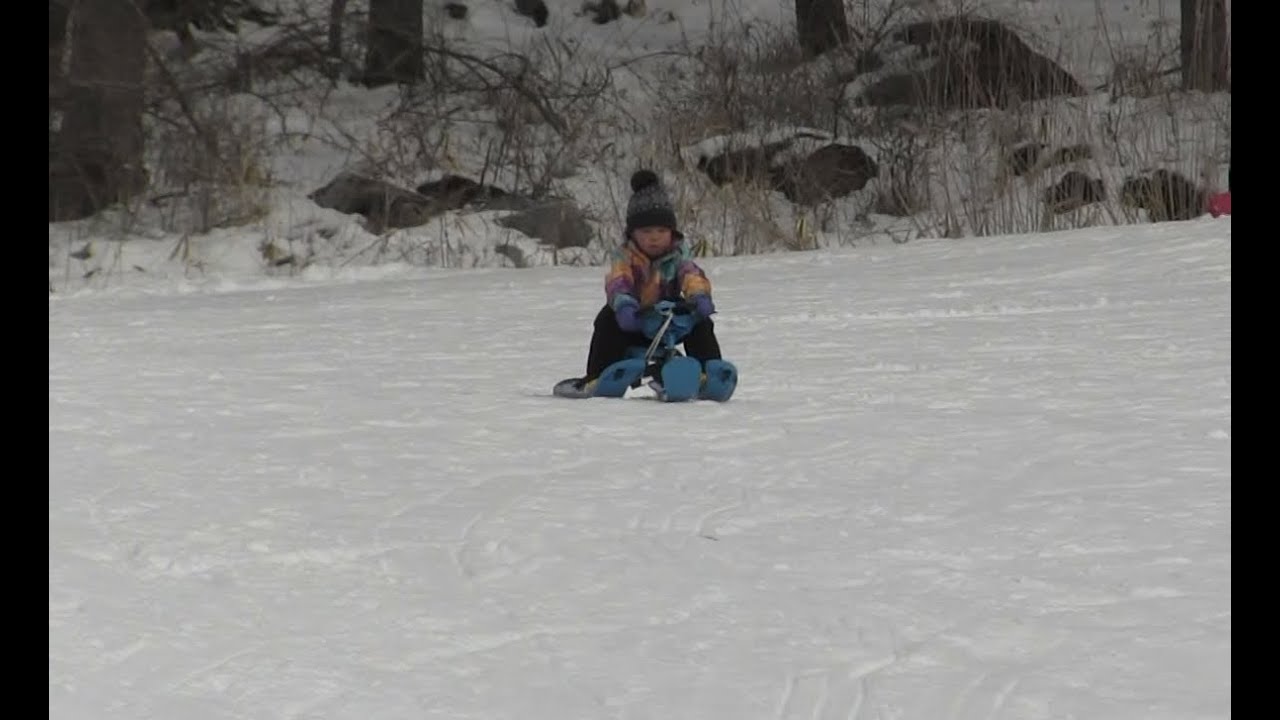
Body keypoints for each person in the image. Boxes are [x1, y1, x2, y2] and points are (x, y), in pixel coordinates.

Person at [562, 169, 722, 394]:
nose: (654, 237)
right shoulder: (626, 257)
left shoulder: (678, 256)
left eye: (661, 231)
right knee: (606, 320)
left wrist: (700, 297)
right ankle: (599, 376)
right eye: (646, 231)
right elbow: (618, 282)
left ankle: (710, 372)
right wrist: (625, 305)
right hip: (634, 322)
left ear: (671, 232)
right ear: (633, 233)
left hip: (670, 323)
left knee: (701, 324)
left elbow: (691, 275)